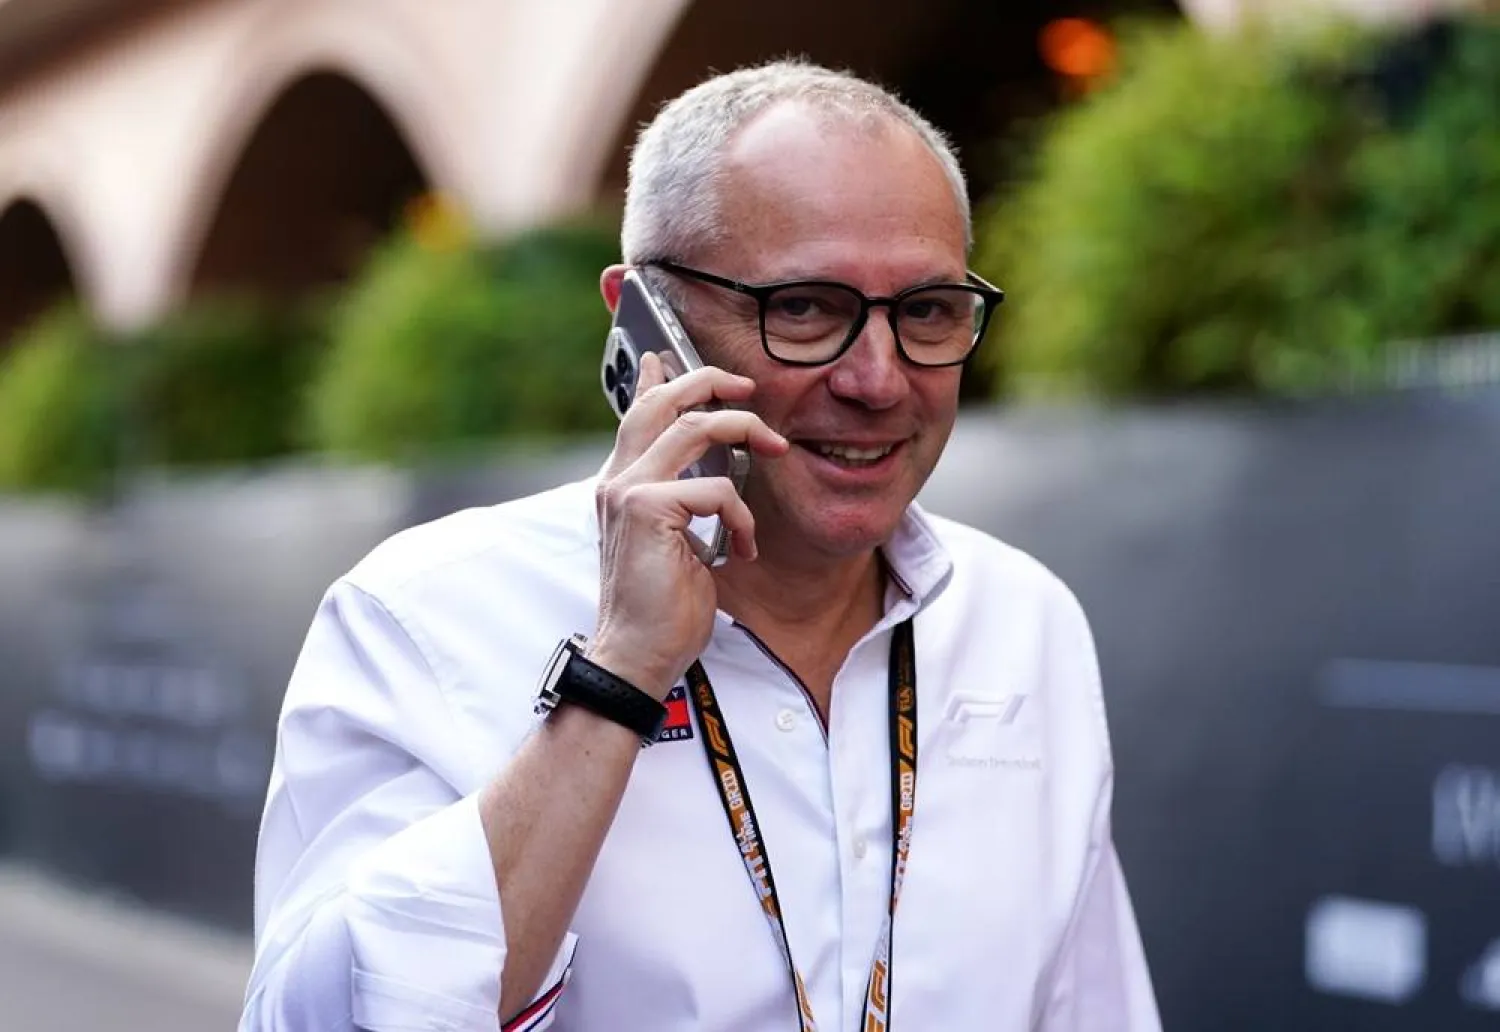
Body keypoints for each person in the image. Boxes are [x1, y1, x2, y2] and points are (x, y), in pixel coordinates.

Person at [240, 60, 1161, 1032]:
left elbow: (1090, 1005)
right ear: (644, 320)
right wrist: (620, 675)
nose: (879, 379)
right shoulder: (423, 615)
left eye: (927, 311)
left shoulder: (1025, 620)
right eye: (805, 307)